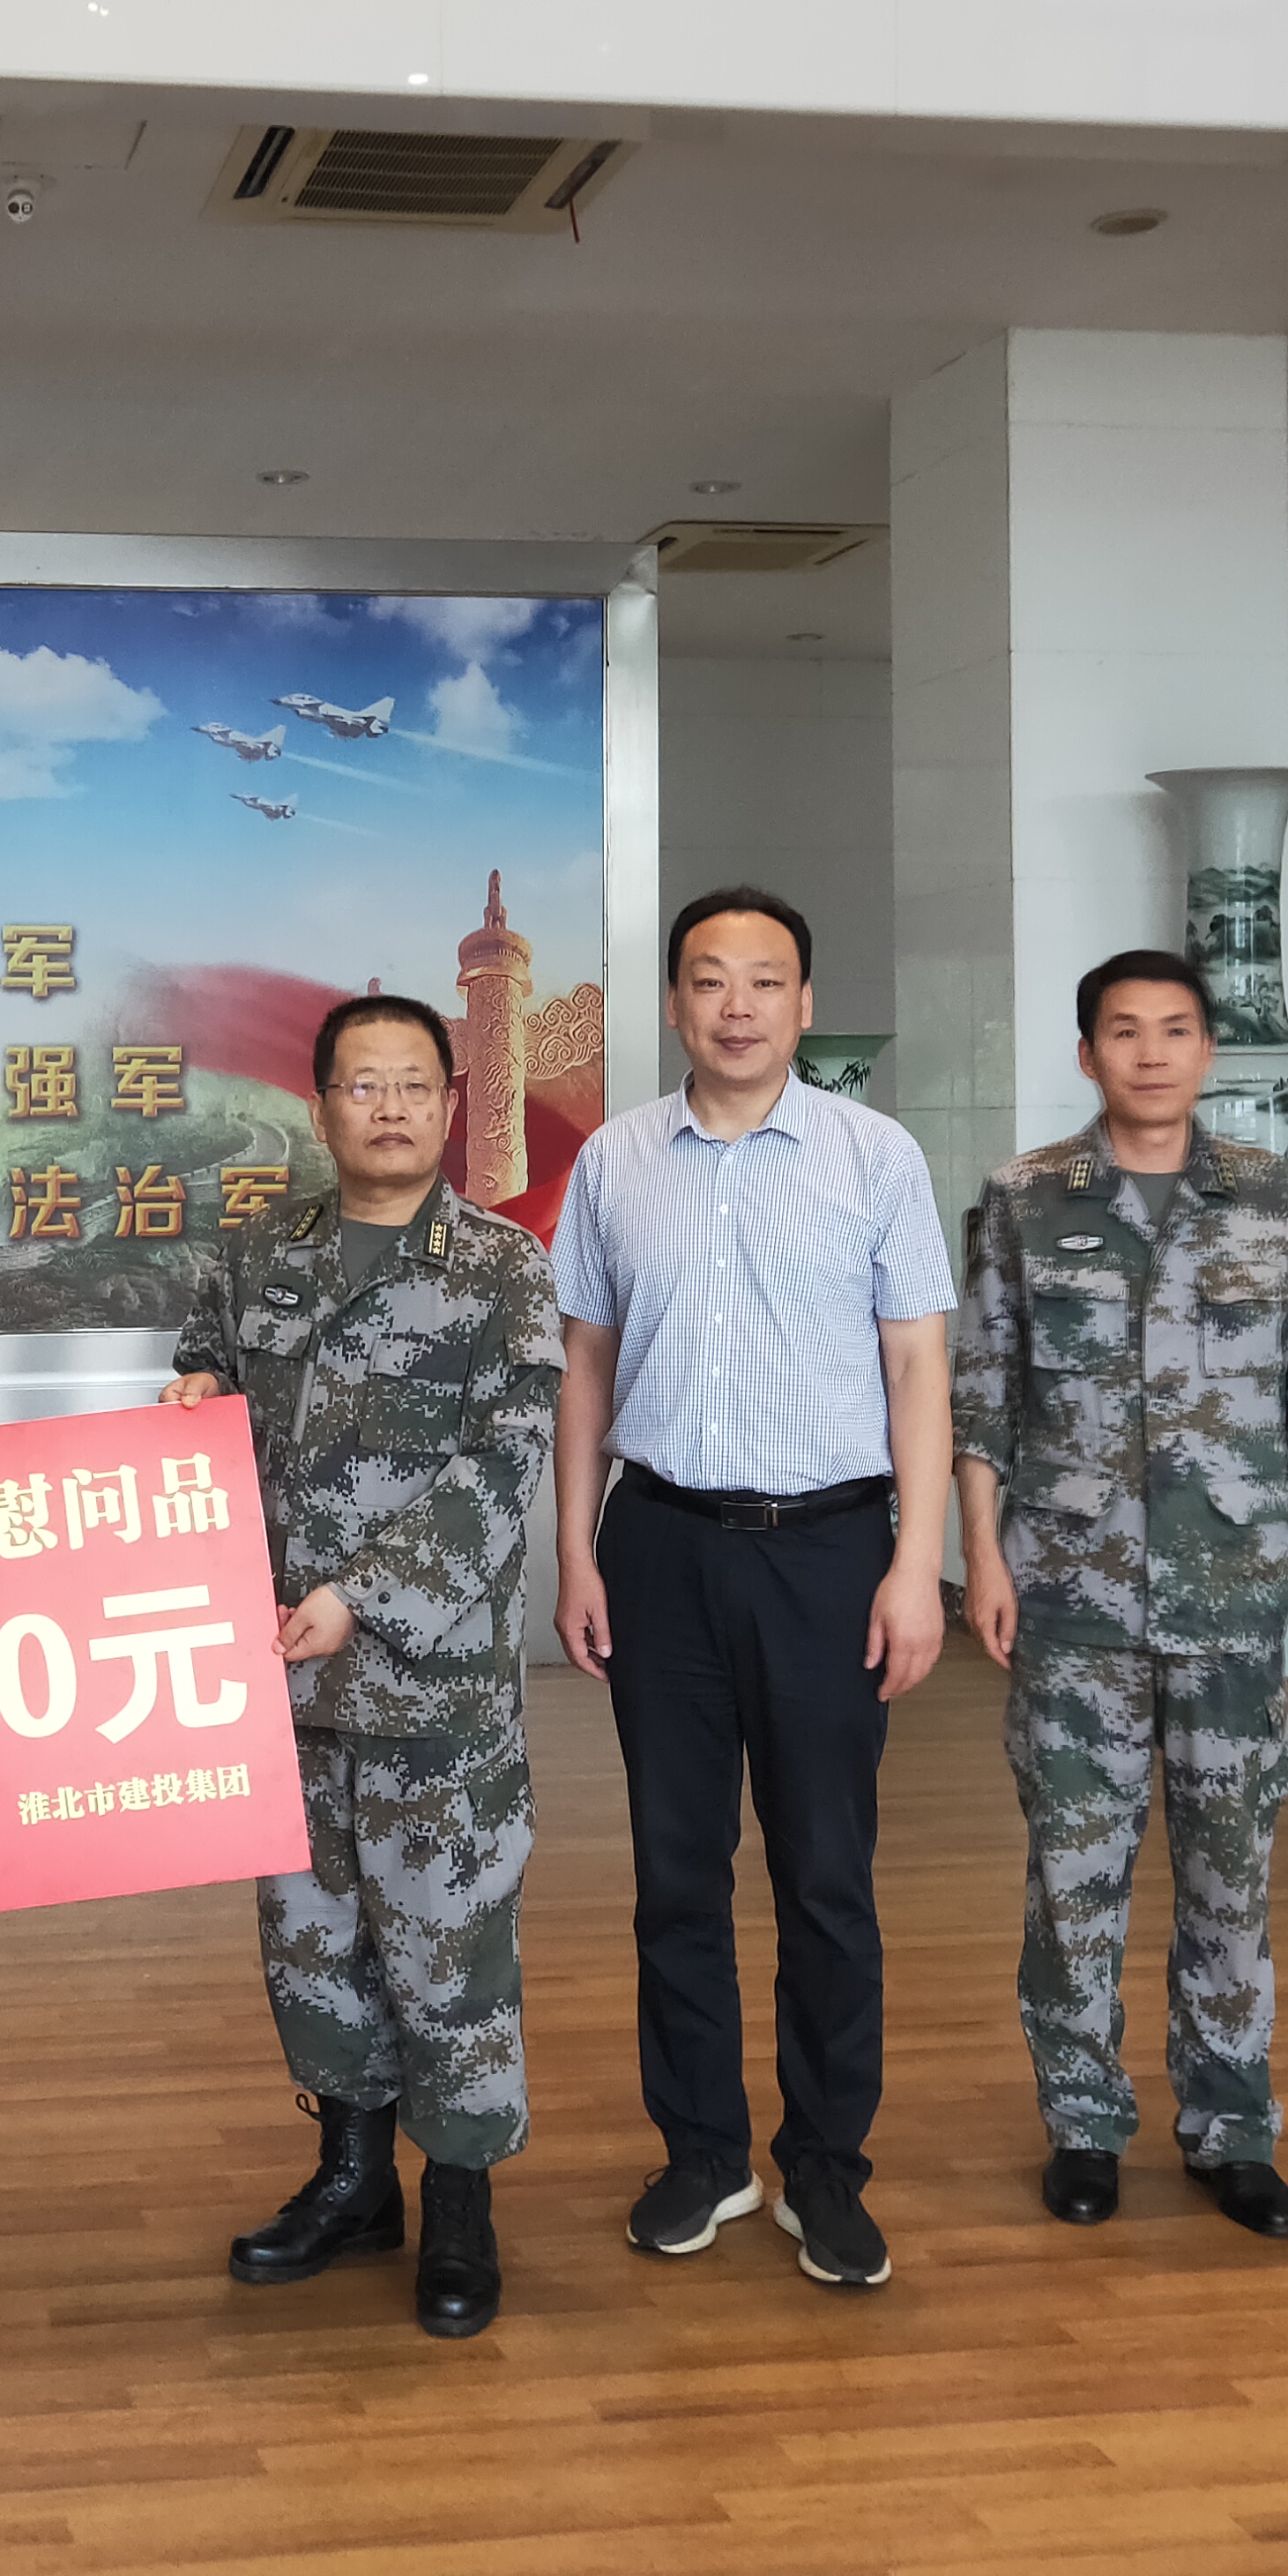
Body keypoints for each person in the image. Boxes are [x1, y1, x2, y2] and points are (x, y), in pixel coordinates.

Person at [550, 887, 954, 2292]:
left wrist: (917, 1565)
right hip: (660, 1544)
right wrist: (577, 1551)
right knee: (677, 1872)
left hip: (830, 1553)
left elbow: (919, 1365)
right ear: (674, 1004)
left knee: (826, 1874)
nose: (737, 1006)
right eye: (710, 980)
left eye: (765, 981)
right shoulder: (615, 1160)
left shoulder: (874, 1156)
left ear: (803, 1002)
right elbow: (585, 1367)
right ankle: (703, 2153)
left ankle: (827, 2168)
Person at [160, 993, 562, 2339]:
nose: (388, 1107)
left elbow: (501, 1468)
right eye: (361, 1084)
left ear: (449, 1103)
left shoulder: (502, 1268)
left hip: (430, 1691)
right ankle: (352, 2178)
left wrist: (364, 1596)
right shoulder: (257, 1255)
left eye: (412, 1084)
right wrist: (190, 1404)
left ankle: (459, 2200)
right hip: (278, 1682)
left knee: (448, 1947)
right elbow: (204, 1385)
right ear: (321, 1105)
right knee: (312, 1944)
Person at [953, 948, 1288, 2241]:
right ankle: (1083, 2125)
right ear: (1088, 1054)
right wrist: (984, 1559)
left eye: (1175, 1030)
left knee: (1231, 1873)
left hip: (1234, 1594)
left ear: (1206, 1051)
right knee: (1075, 1875)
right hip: (1072, 1593)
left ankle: (1233, 2130)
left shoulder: (1274, 1197)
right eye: (1124, 1032)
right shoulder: (1025, 1200)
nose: (1149, 1053)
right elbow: (983, 1396)